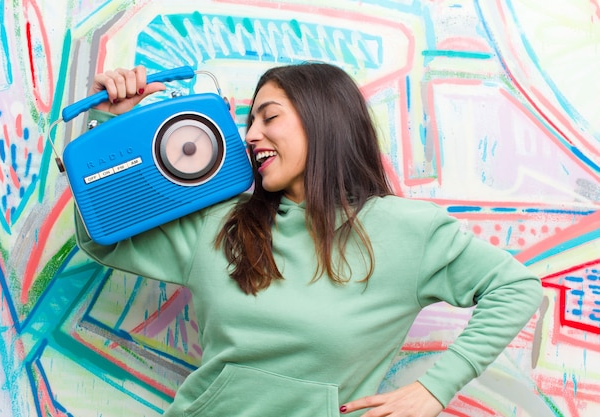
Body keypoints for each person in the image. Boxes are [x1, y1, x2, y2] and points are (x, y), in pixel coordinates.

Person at [75, 63, 543, 417]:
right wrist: (112, 128)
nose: (251, 135)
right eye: (249, 122)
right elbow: (104, 238)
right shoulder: (219, 225)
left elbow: (517, 288)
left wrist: (435, 388)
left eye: (269, 117)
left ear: (323, 120)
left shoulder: (409, 231)